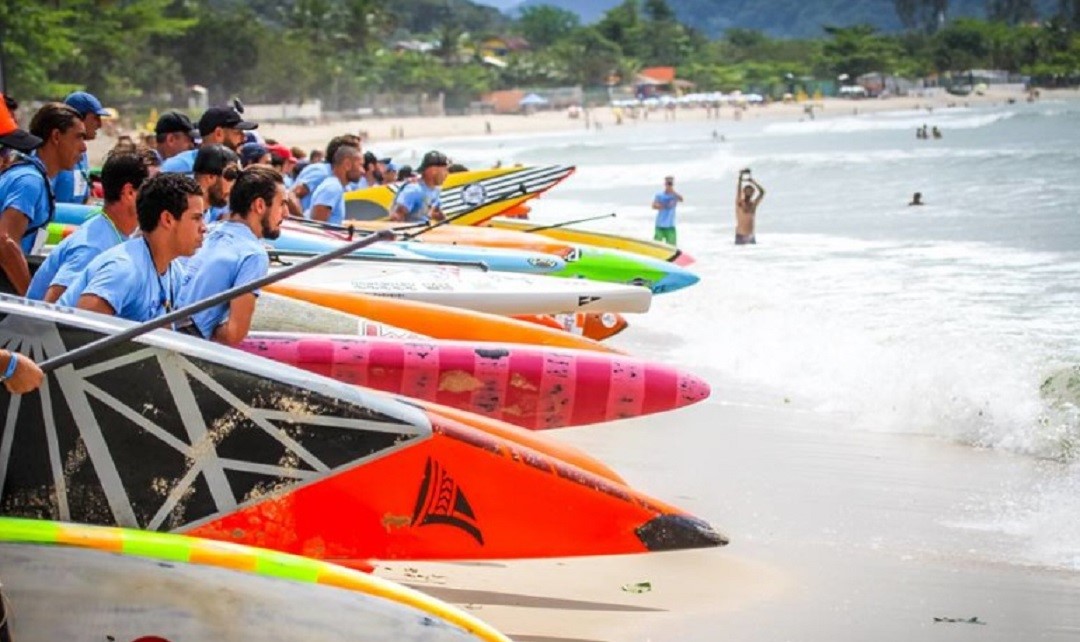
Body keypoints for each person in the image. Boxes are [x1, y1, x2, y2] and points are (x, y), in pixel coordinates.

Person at [57, 173, 205, 322]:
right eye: (196, 218)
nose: (204, 228)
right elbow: (79, 329)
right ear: (167, 219)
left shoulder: (175, 271)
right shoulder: (124, 270)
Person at [176, 166, 285, 345]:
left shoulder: (207, 230)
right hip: (184, 342)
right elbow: (234, 335)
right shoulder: (254, 255)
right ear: (259, 205)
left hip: (155, 327)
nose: (286, 213)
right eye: (282, 204)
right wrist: (209, 330)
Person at [28, 152, 150, 302]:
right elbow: (52, 307)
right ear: (129, 193)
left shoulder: (118, 233)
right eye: (149, 190)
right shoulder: (93, 247)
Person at [0, 102, 85, 295]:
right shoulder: (30, 181)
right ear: (56, 137)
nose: (84, 147)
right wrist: (32, 304)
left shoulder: (34, 176)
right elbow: (4, 242)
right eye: (78, 137)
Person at [159, 104, 257, 175]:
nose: (244, 138)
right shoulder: (178, 167)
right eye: (237, 132)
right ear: (219, 133)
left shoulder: (235, 167)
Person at [53, 91, 110, 204]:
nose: (99, 124)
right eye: (96, 117)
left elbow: (84, 199)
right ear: (79, 118)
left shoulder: (82, 154)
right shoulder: (54, 152)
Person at [290, 135, 361, 213]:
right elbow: (292, 196)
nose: (361, 156)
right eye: (357, 152)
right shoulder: (321, 172)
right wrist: (302, 221)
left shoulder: (341, 181)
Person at [304, 145, 363, 224]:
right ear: (347, 164)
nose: (363, 171)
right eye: (360, 165)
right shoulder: (333, 188)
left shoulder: (335, 186)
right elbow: (317, 226)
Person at [390, 151, 449, 223]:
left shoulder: (436, 190)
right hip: (413, 232)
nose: (447, 174)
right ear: (433, 170)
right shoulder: (414, 190)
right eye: (445, 170)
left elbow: (436, 212)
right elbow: (396, 216)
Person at [193, 145, 240, 224]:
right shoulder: (182, 211)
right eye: (230, 176)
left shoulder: (205, 212)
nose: (234, 185)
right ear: (210, 177)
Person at [735, 169, 765, 245]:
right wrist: (740, 178)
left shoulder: (753, 204)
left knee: (752, 255)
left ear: (753, 193)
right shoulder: (740, 203)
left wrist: (753, 182)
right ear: (744, 192)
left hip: (751, 236)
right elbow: (738, 190)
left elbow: (762, 192)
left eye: (751, 191)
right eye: (747, 191)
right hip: (740, 236)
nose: (749, 193)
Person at [651, 175, 683, 246]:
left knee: (672, 246)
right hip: (660, 225)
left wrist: (673, 192)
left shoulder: (675, 196)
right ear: (665, 184)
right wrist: (662, 206)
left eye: (670, 184)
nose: (669, 185)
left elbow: (681, 199)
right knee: (657, 245)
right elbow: (653, 206)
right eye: (667, 183)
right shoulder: (659, 195)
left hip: (670, 225)